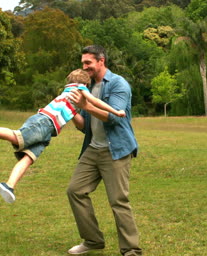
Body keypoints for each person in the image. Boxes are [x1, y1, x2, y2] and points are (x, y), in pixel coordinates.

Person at [0, 69, 125, 204]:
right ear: (84, 84)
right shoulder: (79, 89)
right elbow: (94, 102)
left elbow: (76, 118)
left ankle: (9, 186)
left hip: (48, 131)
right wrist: (114, 111)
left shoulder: (68, 92)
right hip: (44, 122)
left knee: (28, 158)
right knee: (17, 137)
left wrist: (77, 110)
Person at [66, 45, 142, 256]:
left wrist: (87, 105)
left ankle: (131, 250)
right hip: (93, 149)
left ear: (101, 61)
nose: (84, 67)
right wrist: (70, 109)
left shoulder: (118, 84)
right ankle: (92, 240)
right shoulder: (86, 87)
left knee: (118, 200)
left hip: (115, 149)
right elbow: (84, 125)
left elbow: (114, 118)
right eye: (83, 63)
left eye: (88, 63)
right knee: (75, 190)